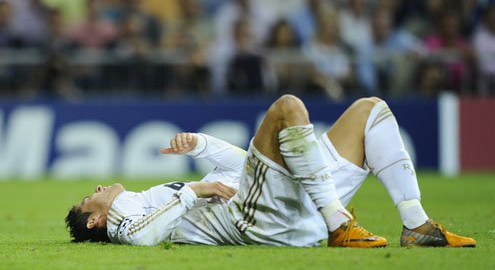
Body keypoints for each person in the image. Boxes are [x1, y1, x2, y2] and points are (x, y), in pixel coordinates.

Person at [66, 95, 476, 248]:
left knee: (370, 111)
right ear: (95, 221)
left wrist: (202, 146)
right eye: (91, 197)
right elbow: (144, 237)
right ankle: (338, 224)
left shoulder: (147, 199)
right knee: (286, 109)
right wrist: (197, 187)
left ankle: (416, 225)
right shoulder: (122, 221)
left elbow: (244, 167)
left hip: (290, 208)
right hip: (260, 218)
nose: (98, 187)